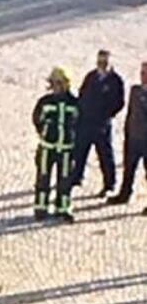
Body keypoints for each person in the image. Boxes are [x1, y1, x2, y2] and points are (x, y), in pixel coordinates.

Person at [70, 50, 125, 196]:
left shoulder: (115, 81)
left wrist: (107, 114)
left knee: (105, 155)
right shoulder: (91, 76)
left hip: (102, 124)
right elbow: (82, 94)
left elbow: (119, 102)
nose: (102, 64)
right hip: (86, 122)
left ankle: (109, 183)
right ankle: (76, 177)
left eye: (105, 62)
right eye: (100, 61)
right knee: (80, 151)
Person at [31, 67, 79, 222]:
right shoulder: (45, 102)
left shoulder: (74, 103)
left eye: (59, 83)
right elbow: (37, 119)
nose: (56, 86)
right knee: (43, 179)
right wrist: (44, 132)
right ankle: (41, 208)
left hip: (66, 149)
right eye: (54, 83)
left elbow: (79, 123)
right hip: (47, 148)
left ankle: (63, 208)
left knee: (65, 181)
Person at [107, 61, 147, 209]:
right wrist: (127, 132)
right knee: (129, 169)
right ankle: (124, 194)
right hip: (133, 137)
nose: (143, 76)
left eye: (146, 74)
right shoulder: (135, 90)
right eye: (142, 73)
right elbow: (130, 113)